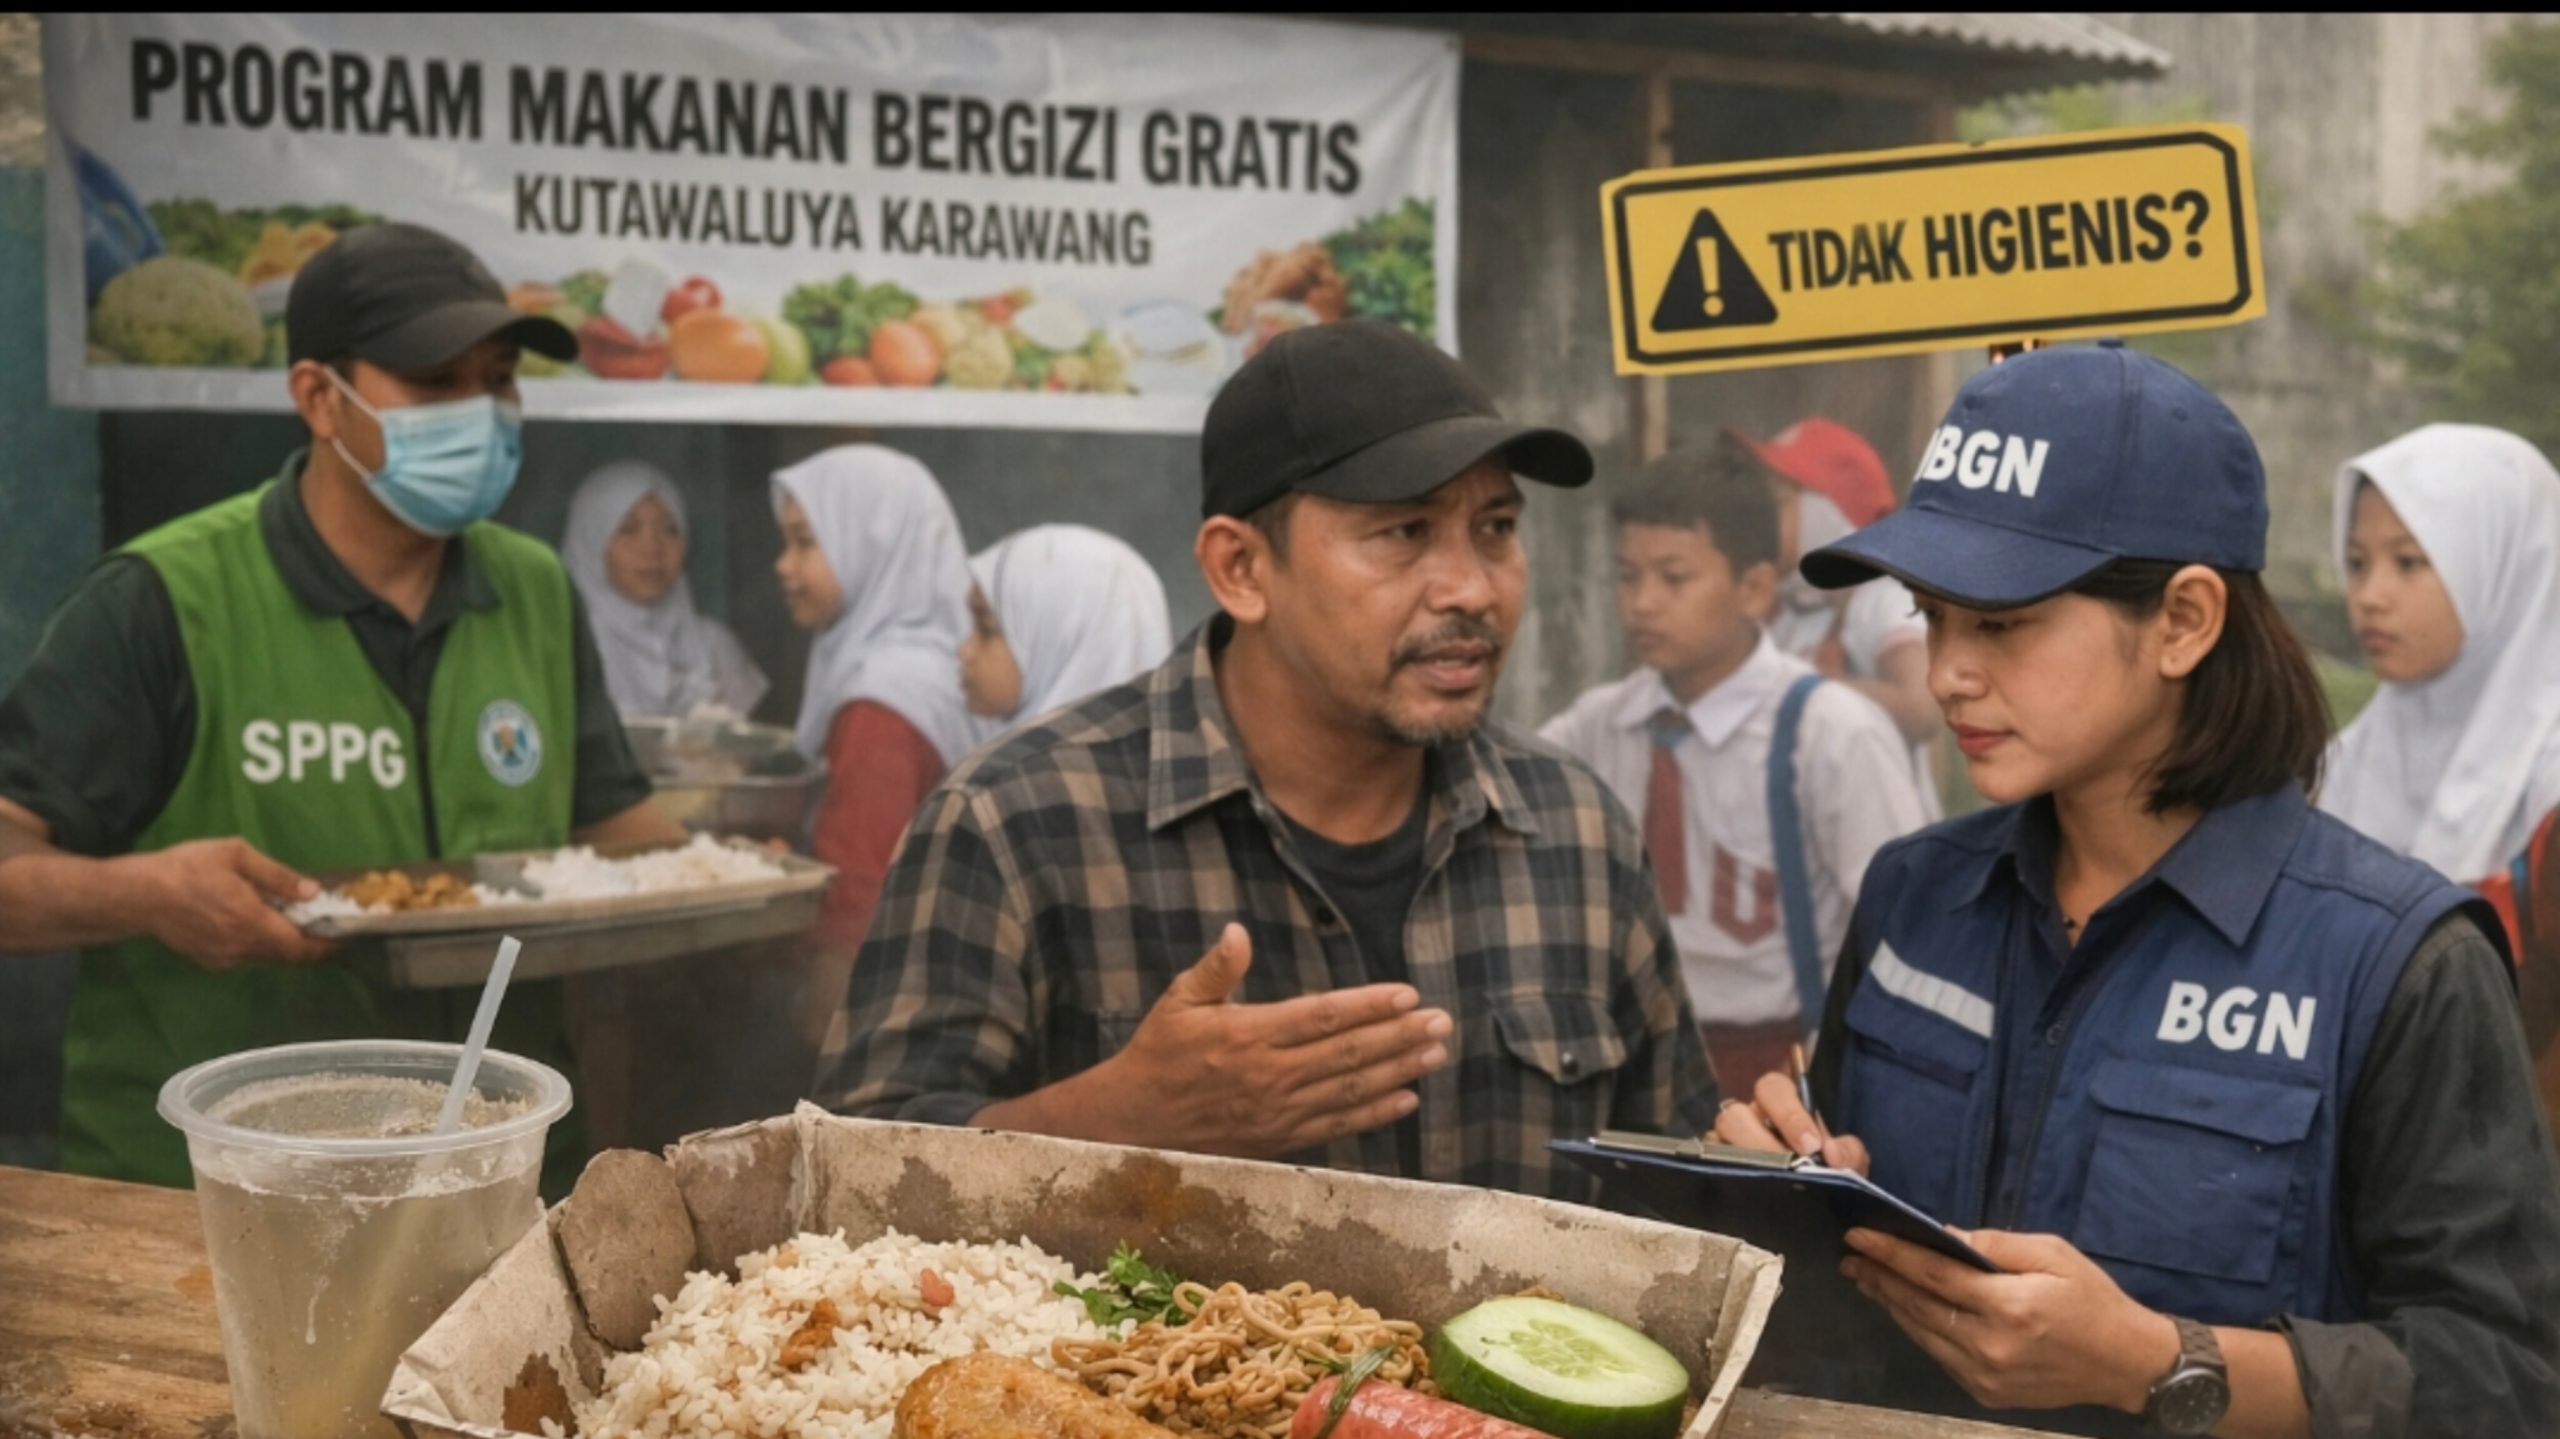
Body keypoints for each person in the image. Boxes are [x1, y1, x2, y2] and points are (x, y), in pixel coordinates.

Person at [1711, 344, 2560, 1439]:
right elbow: (1832, 1260)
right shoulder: (1913, 894)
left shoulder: (2396, 962)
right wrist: (1771, 1182)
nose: (1948, 672)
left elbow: (2510, 1378)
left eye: (2001, 622)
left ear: (2184, 621)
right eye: (1932, 615)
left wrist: (2163, 1362)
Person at [818, 320, 1716, 1202]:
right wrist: (1117, 1123)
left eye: (1497, 526)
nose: (1472, 587)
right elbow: (849, 1191)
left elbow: (1679, 1188)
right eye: (1405, 532)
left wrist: (1769, 1167)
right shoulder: (1016, 823)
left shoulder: (1574, 830)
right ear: (1241, 569)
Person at [0, 223, 685, 1186]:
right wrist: (145, 893)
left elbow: (609, 824)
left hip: (492, 1175)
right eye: (436, 382)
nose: (481, 414)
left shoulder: (532, 588)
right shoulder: (165, 598)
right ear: (320, 397)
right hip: (221, 1193)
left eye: (498, 381)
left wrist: (755, 877)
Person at [1539, 446, 1927, 1100]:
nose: (1642, 603)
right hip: (1633, 1063)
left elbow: (1906, 931)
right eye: (1627, 577)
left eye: (1674, 578)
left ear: (1754, 590)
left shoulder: (1831, 733)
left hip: (1787, 1068)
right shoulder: (1600, 725)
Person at [2319, 424, 2560, 903]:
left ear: (2504, 569)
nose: (2369, 597)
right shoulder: (2337, 769)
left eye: (2408, 562)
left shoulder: (2547, 774)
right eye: (2357, 562)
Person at [772, 444, 980, 951]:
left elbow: (856, 905)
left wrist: (819, 1003)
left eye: (805, 542)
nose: (783, 565)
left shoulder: (884, 705)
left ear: (872, 545)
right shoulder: (937, 667)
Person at [1737, 418, 1942, 817]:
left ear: (1826, 515)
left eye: (1778, 502)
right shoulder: (1791, 611)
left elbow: (1922, 709)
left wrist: (1797, 686)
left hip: (1887, 835)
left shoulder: (1882, 597)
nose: (1756, 516)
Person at [560, 461, 769, 722]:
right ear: (590, 543)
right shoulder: (570, 644)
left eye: (670, 530)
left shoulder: (713, 646)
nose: (652, 548)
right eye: (628, 530)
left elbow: (752, 742)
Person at [962, 523, 1173, 740]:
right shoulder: (1177, 753)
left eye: (986, 629)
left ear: (1056, 640)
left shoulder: (1030, 760)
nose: (964, 650)